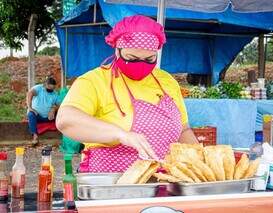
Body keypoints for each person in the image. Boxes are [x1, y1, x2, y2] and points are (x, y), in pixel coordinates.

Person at [56, 15, 198, 173]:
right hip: (109, 183)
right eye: (132, 58)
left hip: (161, 181)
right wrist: (120, 134)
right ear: (117, 49)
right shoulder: (95, 81)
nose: (141, 64)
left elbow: (184, 131)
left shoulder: (166, 81)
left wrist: (200, 159)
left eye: (149, 59)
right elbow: (65, 120)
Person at [26, 77, 60, 144]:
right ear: (45, 85)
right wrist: (30, 107)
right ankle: (35, 137)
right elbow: (30, 93)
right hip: (37, 115)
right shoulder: (38, 88)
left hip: (49, 117)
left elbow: (60, 105)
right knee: (30, 114)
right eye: (49, 89)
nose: (51, 90)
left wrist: (53, 109)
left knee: (61, 114)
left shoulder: (55, 94)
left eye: (52, 89)